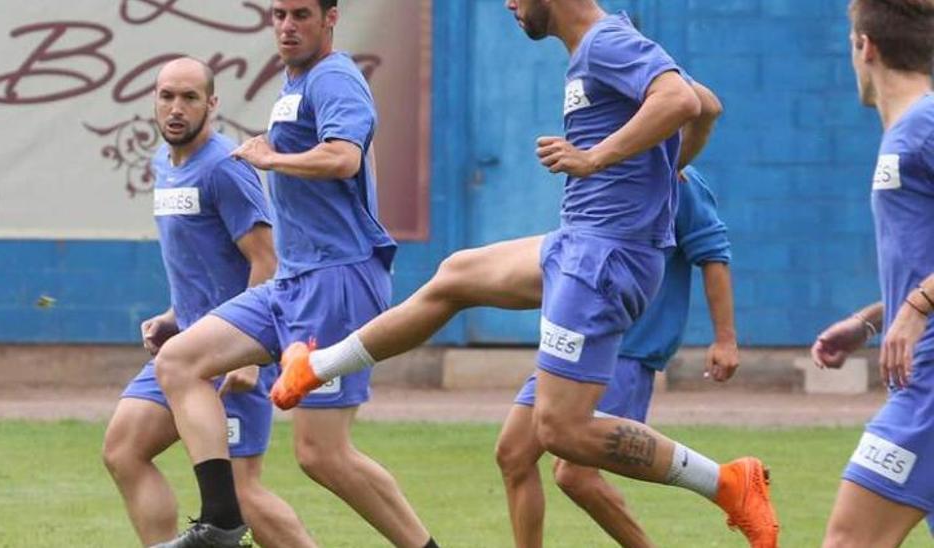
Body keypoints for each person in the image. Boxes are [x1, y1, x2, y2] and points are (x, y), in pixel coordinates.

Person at [271, 1, 779, 546]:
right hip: (579, 245)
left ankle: (727, 483)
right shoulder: (600, 44)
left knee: (562, 432)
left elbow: (679, 100)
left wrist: (597, 158)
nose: (510, 4)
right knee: (455, 276)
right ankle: (317, 367)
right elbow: (705, 106)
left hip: (603, 259)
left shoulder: (606, 41)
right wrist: (662, 170)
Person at [152, 1, 439, 547]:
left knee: (322, 454)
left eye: (301, 14)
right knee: (180, 360)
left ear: (331, 18)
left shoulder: (334, 78)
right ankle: (221, 521)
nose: (287, 25)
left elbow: (342, 158)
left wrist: (271, 159)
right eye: (279, 13)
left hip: (337, 283)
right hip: (291, 282)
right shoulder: (297, 84)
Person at [102, 57, 314, 548]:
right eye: (167, 96)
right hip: (186, 350)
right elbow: (204, 259)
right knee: (124, 450)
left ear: (212, 104)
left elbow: (266, 263)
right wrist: (176, 314)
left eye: (189, 97)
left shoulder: (225, 168)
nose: (176, 108)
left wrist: (247, 361)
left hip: (232, 350)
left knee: (242, 493)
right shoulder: (162, 162)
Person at [499, 166, 739, 548]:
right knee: (513, 454)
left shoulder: (680, 180)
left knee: (574, 474)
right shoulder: (604, 170)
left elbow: (713, 256)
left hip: (626, 347)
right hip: (576, 340)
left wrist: (725, 338)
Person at [811, 1, 934, 546]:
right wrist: (870, 320)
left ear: (866, 47)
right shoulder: (907, 134)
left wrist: (915, 310)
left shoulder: (925, 125)